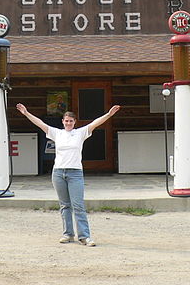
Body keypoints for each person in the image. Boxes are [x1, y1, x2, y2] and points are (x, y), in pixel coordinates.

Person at [16, 102, 121, 247]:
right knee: (65, 205)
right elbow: (40, 124)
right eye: (66, 121)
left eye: (71, 121)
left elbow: (95, 123)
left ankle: (84, 236)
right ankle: (68, 234)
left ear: (74, 122)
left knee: (78, 205)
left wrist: (109, 115)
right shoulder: (57, 133)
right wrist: (26, 113)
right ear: (63, 122)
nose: (68, 123)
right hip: (58, 172)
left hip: (75, 173)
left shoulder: (80, 133)